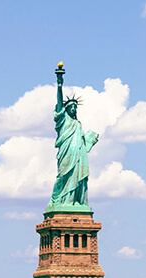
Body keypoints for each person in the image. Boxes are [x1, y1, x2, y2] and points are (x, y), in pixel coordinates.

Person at [48, 67, 99, 209]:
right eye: (70, 106)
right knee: (64, 175)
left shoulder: (78, 124)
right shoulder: (62, 119)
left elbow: (84, 142)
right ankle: (62, 200)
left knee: (78, 175)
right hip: (67, 152)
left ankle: (76, 201)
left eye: (75, 107)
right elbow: (59, 102)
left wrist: (90, 140)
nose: (73, 109)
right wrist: (59, 84)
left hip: (79, 153)